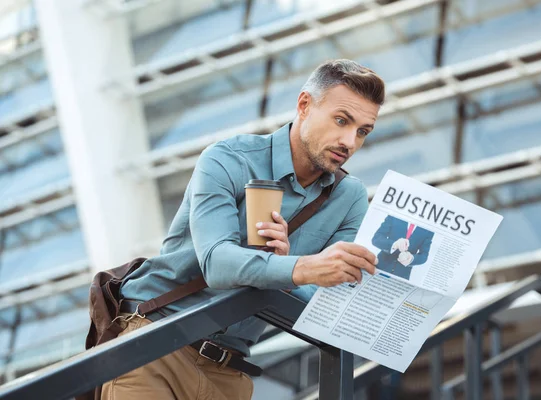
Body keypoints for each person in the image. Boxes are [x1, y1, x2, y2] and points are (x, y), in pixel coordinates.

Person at [103, 59, 386, 400]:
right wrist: (300, 268)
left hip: (229, 373)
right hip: (156, 343)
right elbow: (218, 263)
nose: (349, 141)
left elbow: (329, 304)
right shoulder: (228, 159)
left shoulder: (349, 197)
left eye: (362, 131)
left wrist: (287, 269)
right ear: (305, 105)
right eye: (342, 120)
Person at [372, 216, 434, 280]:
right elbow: (376, 239)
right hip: (380, 267)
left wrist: (412, 259)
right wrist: (393, 245)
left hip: (402, 275)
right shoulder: (394, 216)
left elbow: (424, 255)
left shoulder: (429, 229)